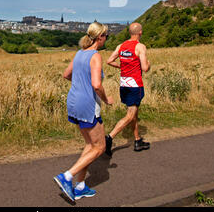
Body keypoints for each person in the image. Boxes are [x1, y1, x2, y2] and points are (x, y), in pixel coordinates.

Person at [53, 21, 114, 202]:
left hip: (73, 101)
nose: (106, 39)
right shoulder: (95, 55)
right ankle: (67, 176)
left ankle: (80, 186)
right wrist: (106, 99)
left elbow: (66, 75)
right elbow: (96, 85)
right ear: (100, 37)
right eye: (106, 36)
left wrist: (80, 85)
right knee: (100, 146)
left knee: (89, 145)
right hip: (87, 105)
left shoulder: (80, 53)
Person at [105, 22, 150, 157]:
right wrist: (149, 64)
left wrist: (121, 67)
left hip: (124, 84)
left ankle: (137, 140)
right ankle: (109, 138)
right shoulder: (140, 47)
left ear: (130, 32)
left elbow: (109, 61)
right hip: (135, 85)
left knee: (134, 113)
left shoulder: (121, 46)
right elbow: (145, 68)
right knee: (130, 115)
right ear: (140, 32)